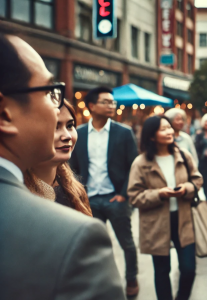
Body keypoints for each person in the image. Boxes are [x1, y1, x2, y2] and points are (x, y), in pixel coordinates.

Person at [0, 32, 125, 299]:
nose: (56, 109)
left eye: (69, 125)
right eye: (48, 92)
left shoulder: (73, 191)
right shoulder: (75, 238)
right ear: (4, 114)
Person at [69, 86, 140, 296]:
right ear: (92, 106)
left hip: (115, 198)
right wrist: (79, 194)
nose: (111, 105)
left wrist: (123, 195)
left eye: (113, 102)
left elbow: (133, 166)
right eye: (106, 102)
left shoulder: (124, 132)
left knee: (127, 243)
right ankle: (102, 283)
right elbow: (73, 167)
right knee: (95, 247)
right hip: (89, 200)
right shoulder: (79, 132)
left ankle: (131, 279)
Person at [127, 116, 201, 300]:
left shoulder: (183, 155)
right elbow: (134, 196)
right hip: (156, 222)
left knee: (189, 269)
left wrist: (187, 189)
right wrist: (160, 194)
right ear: (152, 136)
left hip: (183, 219)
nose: (169, 132)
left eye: (169, 128)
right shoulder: (141, 162)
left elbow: (197, 179)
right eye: (163, 129)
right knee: (161, 271)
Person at [24, 100, 92, 216]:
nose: (67, 136)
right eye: (55, 127)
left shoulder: (75, 190)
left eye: (70, 126)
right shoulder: (14, 191)